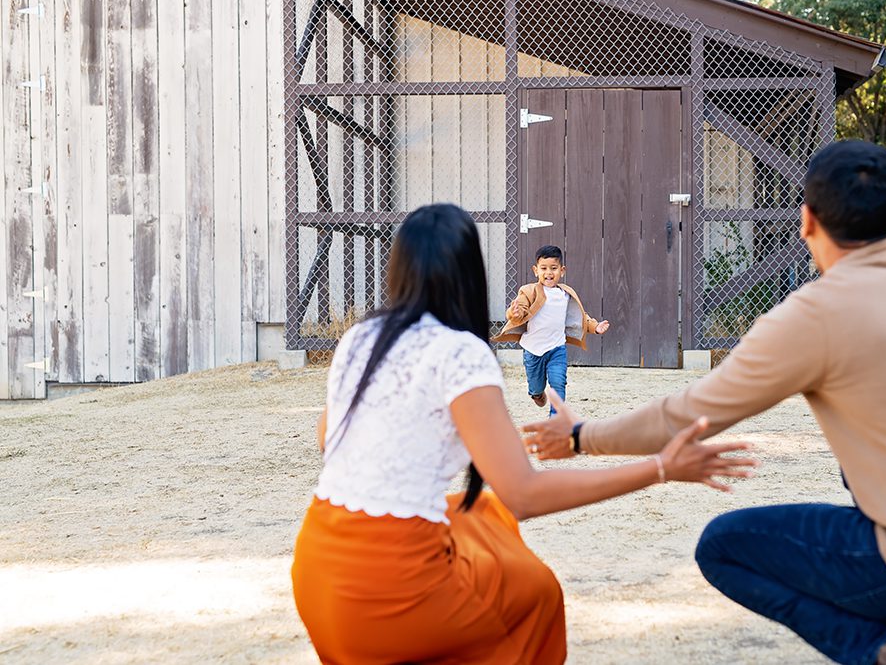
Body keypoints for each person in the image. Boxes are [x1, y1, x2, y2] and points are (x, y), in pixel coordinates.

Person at [522, 141, 886, 665]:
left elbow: (687, 415)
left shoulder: (815, 315)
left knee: (724, 548)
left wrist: (580, 436)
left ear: (807, 221)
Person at [290, 204, 756, 665]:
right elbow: (525, 494)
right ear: (470, 273)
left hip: (316, 566)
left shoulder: (362, 337)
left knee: (484, 515)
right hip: (389, 591)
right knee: (537, 592)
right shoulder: (461, 353)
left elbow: (328, 439)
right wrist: (660, 467)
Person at [492, 245, 610, 415]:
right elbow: (520, 309)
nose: (549, 273)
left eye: (553, 268)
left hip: (557, 349)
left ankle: (556, 418)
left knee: (558, 382)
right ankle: (537, 394)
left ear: (562, 271)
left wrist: (595, 327)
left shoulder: (566, 294)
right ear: (536, 270)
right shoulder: (529, 291)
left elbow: (578, 316)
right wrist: (514, 312)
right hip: (533, 350)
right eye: (544, 268)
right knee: (536, 387)